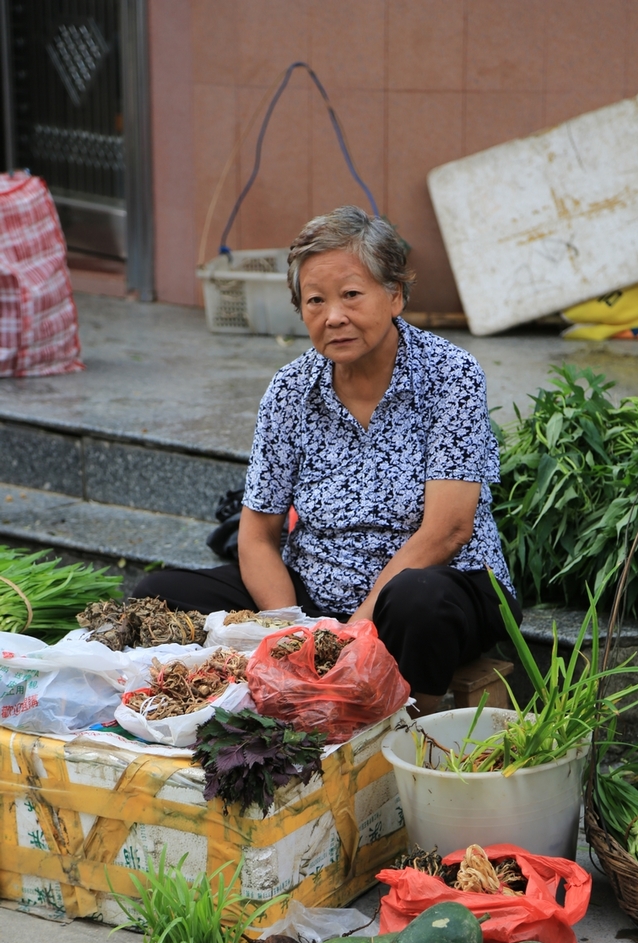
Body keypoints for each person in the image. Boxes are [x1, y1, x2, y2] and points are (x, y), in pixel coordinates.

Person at [133, 205, 521, 714]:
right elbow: (255, 535)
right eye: (315, 300)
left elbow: (448, 530)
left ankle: (402, 735)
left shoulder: (450, 375)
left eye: (352, 295)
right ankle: (236, 703)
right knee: (158, 592)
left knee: (416, 600)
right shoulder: (290, 391)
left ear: (396, 295)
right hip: (316, 600)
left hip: (441, 592)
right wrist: (293, 631)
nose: (333, 315)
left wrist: (355, 626)